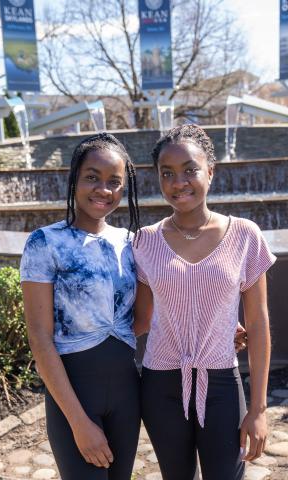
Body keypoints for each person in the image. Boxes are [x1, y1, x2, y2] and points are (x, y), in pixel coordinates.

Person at [133, 124, 275, 479]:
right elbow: (142, 320)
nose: (179, 182)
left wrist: (258, 410)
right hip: (161, 385)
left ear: (210, 171)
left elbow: (258, 325)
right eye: (167, 174)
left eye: (190, 170)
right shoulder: (145, 242)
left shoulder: (244, 235)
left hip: (222, 382)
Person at [21, 132, 142, 480]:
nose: (103, 189)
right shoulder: (45, 242)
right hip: (74, 399)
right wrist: (79, 422)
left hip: (126, 397)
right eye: (92, 177)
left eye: (114, 182)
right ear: (75, 178)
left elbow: (157, 307)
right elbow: (39, 337)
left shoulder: (130, 243)